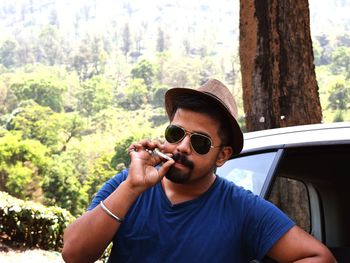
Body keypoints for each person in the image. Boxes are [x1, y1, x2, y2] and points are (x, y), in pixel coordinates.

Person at [62, 79, 336, 263]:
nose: (181, 147)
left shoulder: (242, 209)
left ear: (223, 155)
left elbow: (319, 257)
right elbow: (74, 254)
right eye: (175, 133)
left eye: (200, 142)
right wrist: (132, 188)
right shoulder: (128, 186)